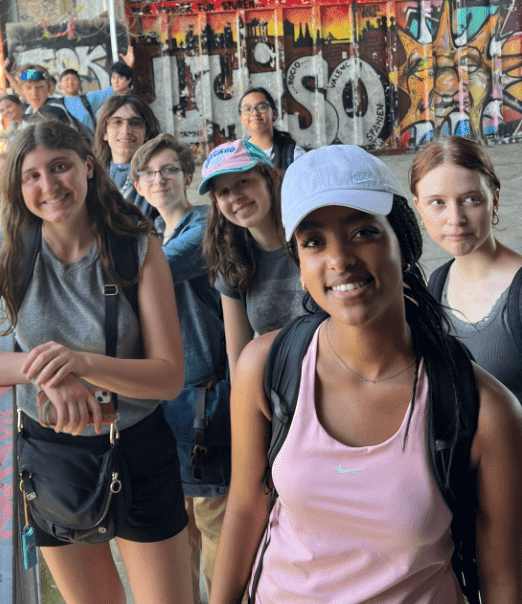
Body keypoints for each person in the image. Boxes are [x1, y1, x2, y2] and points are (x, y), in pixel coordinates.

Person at [210, 144, 522, 604]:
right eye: (314, 241)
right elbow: (244, 510)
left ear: (405, 243)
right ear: (300, 265)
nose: (339, 259)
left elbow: (503, 580)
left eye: (363, 232)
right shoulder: (267, 367)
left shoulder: (484, 409)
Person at [0, 119, 193, 604]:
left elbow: (169, 376)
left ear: (88, 167)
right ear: (17, 186)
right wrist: (44, 369)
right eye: (32, 176)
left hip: (136, 446)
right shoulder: (10, 249)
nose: (49, 186)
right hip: (53, 457)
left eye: (61, 167)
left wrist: (81, 363)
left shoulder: (136, 243)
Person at [131, 134, 230, 604]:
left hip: (206, 403)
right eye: (149, 173)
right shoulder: (150, 232)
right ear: (138, 184)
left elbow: (152, 272)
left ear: (188, 177)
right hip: (169, 406)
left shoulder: (205, 226)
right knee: (180, 533)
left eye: (169, 169)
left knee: (218, 530)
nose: (160, 179)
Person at [411, 136, 522, 402]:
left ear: (494, 200)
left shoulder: (517, 293)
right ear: (419, 209)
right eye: (438, 202)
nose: (456, 219)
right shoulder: (437, 285)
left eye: (471, 199)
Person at [201, 139, 302, 379]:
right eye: (223, 192)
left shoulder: (312, 239)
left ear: (272, 179)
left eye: (243, 182)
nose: (235, 196)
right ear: (217, 203)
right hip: (280, 394)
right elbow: (238, 360)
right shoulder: (232, 263)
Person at [94, 94, 161, 221]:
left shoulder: (161, 175)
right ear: (104, 133)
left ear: (147, 132)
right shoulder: (91, 176)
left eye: (135, 123)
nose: (126, 130)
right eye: (117, 122)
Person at [238, 86, 302, 171]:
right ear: (241, 118)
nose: (254, 113)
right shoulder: (238, 156)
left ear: (274, 114)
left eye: (261, 107)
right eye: (247, 109)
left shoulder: (293, 154)